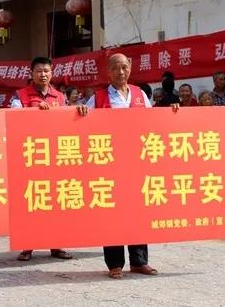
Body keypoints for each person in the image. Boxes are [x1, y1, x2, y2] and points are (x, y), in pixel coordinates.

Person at [85, 53, 156, 279]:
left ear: (130, 68)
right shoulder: (98, 98)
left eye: (124, 67)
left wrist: (173, 112)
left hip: (137, 162)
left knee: (138, 210)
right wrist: (81, 113)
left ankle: (139, 261)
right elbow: (82, 126)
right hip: (109, 163)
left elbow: (155, 123)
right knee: (112, 212)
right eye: (115, 67)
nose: (120, 72)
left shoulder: (140, 94)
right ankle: (114, 263)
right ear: (108, 71)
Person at [11, 57, 75, 262]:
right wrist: (34, 112)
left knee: (56, 201)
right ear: (31, 74)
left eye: (46, 71)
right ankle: (27, 245)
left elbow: (67, 122)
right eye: (39, 71)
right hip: (30, 155)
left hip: (55, 156)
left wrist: (78, 111)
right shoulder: (20, 95)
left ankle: (57, 244)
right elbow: (13, 117)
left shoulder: (60, 97)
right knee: (31, 200)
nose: (43, 74)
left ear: (52, 73)